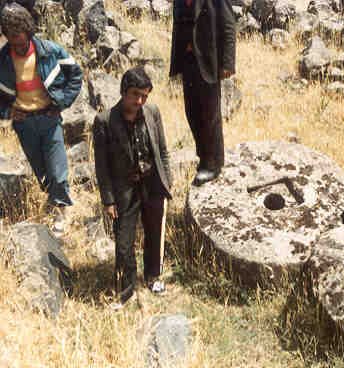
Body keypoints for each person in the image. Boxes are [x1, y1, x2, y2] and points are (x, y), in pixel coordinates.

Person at [93, 67, 172, 307]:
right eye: (135, 94)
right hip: (124, 189)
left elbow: (162, 150)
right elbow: (102, 166)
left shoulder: (152, 112)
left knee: (155, 233)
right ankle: (125, 290)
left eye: (144, 96)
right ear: (123, 91)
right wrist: (108, 200)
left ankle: (153, 277)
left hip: (153, 184)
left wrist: (167, 181)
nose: (139, 101)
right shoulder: (104, 121)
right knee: (124, 242)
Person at [0, 2, 82, 233]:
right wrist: (7, 113)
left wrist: (61, 103)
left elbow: (75, 75)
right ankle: (52, 200)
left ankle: (61, 211)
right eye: (12, 41)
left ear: (29, 31)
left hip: (49, 118)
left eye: (20, 40)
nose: (18, 46)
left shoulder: (50, 51)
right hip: (23, 123)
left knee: (57, 170)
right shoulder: (2, 61)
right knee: (42, 172)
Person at [169, 0, 236, 186]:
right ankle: (204, 157)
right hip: (187, 61)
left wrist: (227, 63)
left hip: (209, 61)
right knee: (192, 112)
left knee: (210, 114)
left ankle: (213, 163)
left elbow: (229, 24)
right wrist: (176, 62)